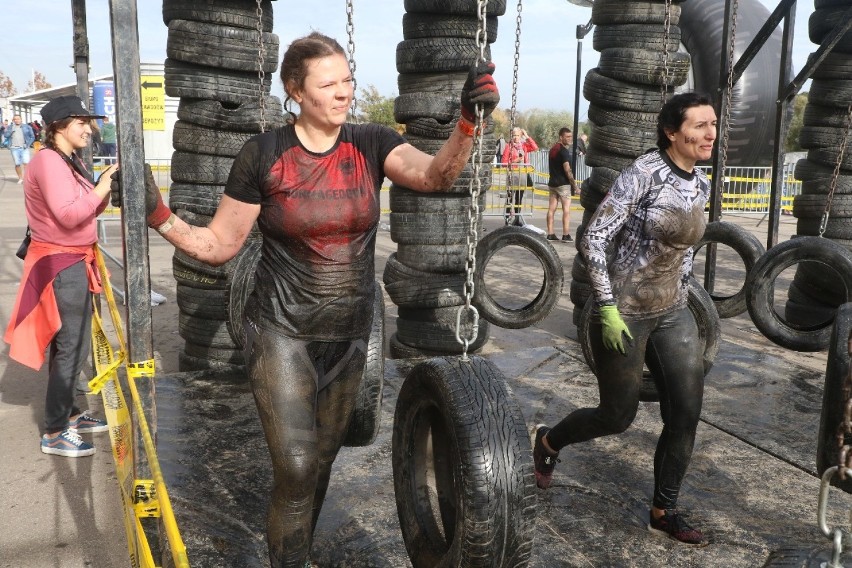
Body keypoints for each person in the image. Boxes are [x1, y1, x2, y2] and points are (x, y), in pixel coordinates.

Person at [113, 32, 499, 567]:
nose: (343, 92)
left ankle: (298, 553)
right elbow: (220, 245)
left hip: (348, 334)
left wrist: (466, 123)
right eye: (329, 83)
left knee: (319, 463)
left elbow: (437, 176)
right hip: (280, 330)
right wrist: (158, 214)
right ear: (296, 91)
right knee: (295, 465)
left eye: (347, 80)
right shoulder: (264, 155)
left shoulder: (371, 143)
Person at [532, 92, 717, 546]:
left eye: (713, 124)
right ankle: (549, 442)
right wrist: (608, 307)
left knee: (687, 411)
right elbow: (594, 239)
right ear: (672, 131)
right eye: (699, 125)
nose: (710, 133)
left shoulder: (702, 183)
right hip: (625, 312)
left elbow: (686, 253)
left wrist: (686, 297)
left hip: (672, 311)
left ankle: (663, 510)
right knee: (617, 416)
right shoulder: (644, 174)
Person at [4, 96, 119, 457]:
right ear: (58, 126)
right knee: (71, 346)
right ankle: (54, 431)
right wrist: (102, 186)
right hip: (61, 261)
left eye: (90, 121)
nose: (90, 128)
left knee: (73, 343)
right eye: (81, 121)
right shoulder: (49, 162)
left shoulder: (67, 160)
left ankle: (68, 413)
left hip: (71, 259)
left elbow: (88, 209)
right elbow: (69, 216)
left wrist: (101, 185)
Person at [546, 127, 580, 242]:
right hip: (563, 185)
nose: (570, 139)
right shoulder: (563, 151)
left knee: (551, 209)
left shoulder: (553, 150)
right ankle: (566, 235)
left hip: (552, 184)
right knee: (566, 209)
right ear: (561, 137)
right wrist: (575, 186)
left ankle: (550, 233)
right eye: (567, 137)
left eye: (571, 136)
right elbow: (567, 170)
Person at [501, 126, 537, 225]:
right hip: (512, 176)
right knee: (510, 198)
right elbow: (503, 163)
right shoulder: (509, 146)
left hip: (522, 176)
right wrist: (514, 161)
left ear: (520, 136)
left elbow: (535, 147)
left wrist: (527, 136)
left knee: (519, 199)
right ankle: (507, 220)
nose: (516, 137)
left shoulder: (524, 146)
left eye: (518, 135)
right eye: (514, 135)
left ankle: (517, 219)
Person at [3, 115, 35, 183]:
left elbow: (32, 137)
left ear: (21, 119)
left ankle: (27, 178)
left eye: (18, 119)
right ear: (13, 120)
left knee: (26, 163)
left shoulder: (27, 127)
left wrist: (28, 144)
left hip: (24, 148)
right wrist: (11, 131)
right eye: (15, 119)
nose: (17, 120)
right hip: (14, 148)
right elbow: (6, 135)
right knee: (17, 164)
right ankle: (20, 178)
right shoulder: (10, 127)